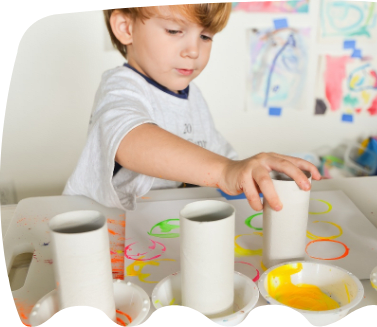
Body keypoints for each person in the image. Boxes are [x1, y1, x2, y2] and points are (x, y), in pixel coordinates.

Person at [63, 4, 320, 212]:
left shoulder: (191, 94)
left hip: (165, 224)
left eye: (205, 36)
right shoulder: (121, 86)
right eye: (174, 31)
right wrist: (226, 171)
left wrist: (250, 173)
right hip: (112, 230)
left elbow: (214, 151)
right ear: (125, 27)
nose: (193, 50)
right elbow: (127, 139)